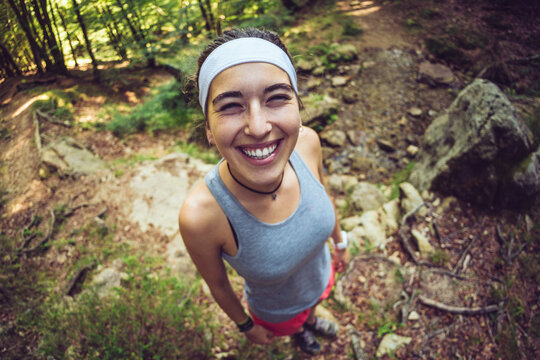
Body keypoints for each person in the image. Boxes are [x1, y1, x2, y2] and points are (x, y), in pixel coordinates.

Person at [178, 27, 349, 355]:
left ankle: (310, 321)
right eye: (230, 105)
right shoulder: (202, 215)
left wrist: (340, 242)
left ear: (298, 108)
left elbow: (323, 193)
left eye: (277, 98)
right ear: (209, 130)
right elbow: (218, 284)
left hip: (321, 276)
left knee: (313, 307)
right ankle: (299, 332)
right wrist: (246, 325)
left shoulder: (308, 143)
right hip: (277, 312)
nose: (258, 127)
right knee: (293, 325)